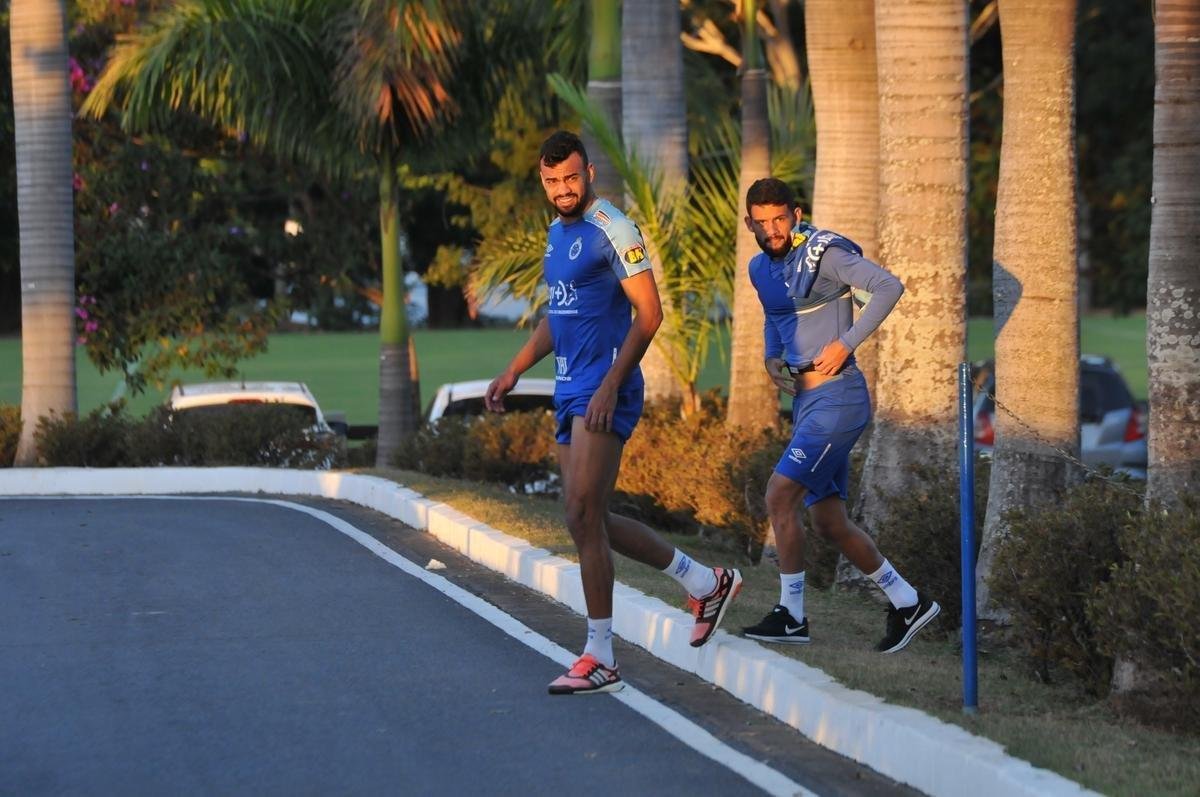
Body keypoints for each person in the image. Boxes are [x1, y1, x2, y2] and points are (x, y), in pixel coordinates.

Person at [485, 131, 742, 695]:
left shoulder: (614, 229)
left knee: (580, 515)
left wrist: (608, 384)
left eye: (571, 178)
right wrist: (515, 368)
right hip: (568, 388)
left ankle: (600, 654)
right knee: (589, 520)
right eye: (552, 182)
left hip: (606, 390)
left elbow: (649, 314)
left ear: (590, 173)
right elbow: (559, 314)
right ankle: (705, 580)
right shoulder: (556, 234)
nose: (562, 190)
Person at [739, 177, 940, 653]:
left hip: (839, 399)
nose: (772, 230)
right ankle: (908, 602)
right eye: (762, 222)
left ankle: (792, 616)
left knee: (779, 495)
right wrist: (773, 357)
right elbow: (775, 315)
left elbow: (889, 286)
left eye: (780, 219)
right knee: (829, 521)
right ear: (749, 223)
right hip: (806, 401)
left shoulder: (823, 254)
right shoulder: (759, 268)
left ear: (797, 214)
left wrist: (846, 343)